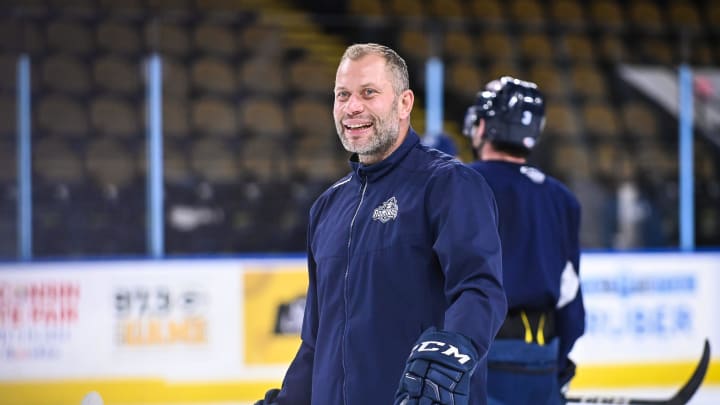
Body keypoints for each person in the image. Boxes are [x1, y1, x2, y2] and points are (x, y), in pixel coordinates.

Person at [254, 43, 507, 405]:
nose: (352, 107)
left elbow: (480, 289)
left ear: (404, 103)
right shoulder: (327, 207)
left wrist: (452, 352)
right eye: (342, 95)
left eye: (368, 92)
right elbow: (316, 342)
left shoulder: (448, 184)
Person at [462, 76, 585, 404]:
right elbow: (571, 302)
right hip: (540, 362)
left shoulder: (455, 184)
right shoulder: (562, 199)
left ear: (483, 125)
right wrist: (557, 369)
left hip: (471, 361)